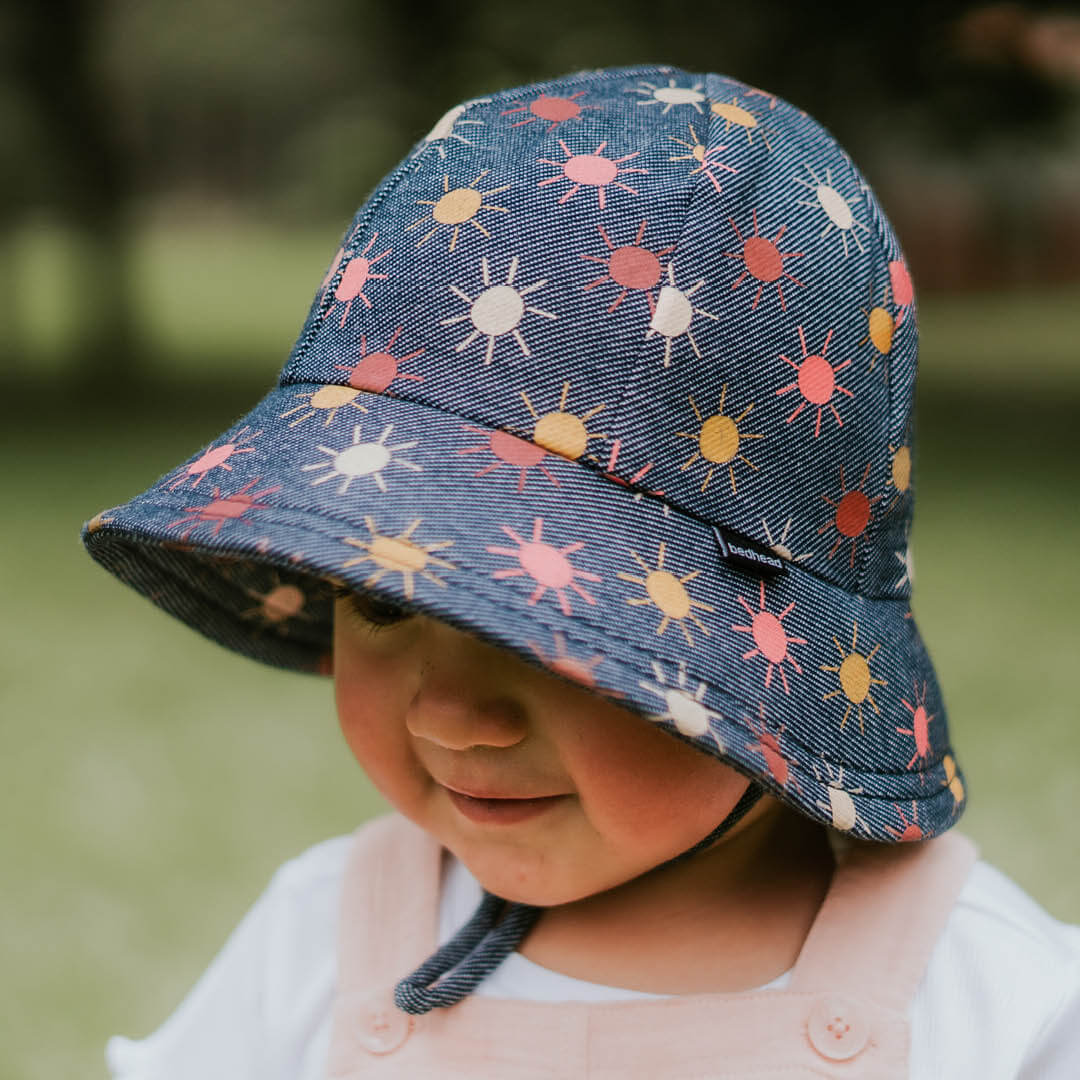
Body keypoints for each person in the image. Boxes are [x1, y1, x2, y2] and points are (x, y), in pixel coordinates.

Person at [83, 64, 1079, 1078]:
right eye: (381, 602)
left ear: (769, 671)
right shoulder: (322, 941)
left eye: (547, 631)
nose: (452, 717)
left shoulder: (992, 1002)